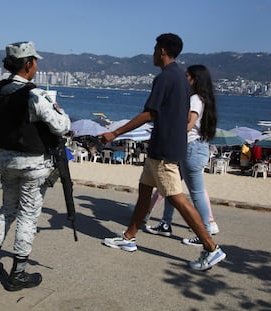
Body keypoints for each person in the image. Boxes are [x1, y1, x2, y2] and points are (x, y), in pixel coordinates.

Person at [100, 33, 226, 271]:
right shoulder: (180, 76)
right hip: (164, 145)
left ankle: (211, 248)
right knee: (145, 191)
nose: (153, 53)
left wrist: (115, 133)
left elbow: (150, 113)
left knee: (176, 197)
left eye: (155, 48)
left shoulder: (165, 78)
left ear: (163, 51)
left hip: (165, 149)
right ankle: (129, 237)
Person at [0, 41, 71, 290]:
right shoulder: (35, 95)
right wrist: (62, 112)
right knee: (28, 217)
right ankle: (18, 273)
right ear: (28, 63)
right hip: (33, 164)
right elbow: (62, 126)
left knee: (6, 210)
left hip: (5, 160)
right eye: (35, 61)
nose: (37, 65)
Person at [145, 64, 220, 245]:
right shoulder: (204, 99)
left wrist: (170, 131)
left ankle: (205, 231)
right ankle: (165, 223)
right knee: (173, 188)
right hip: (196, 147)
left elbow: (187, 125)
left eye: (187, 76)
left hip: (192, 148)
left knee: (196, 192)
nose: (184, 79)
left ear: (195, 79)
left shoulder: (194, 99)